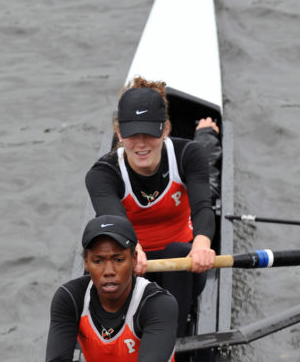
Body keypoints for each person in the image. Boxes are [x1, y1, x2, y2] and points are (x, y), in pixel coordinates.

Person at [30, 214, 187, 362]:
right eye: (98, 261)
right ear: (86, 262)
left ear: (134, 259)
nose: (108, 271)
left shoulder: (158, 303)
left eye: (118, 259)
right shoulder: (69, 298)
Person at [84, 78, 220, 335]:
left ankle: (172, 343)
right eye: (133, 134)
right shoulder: (102, 174)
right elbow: (114, 219)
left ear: (166, 128)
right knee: (109, 261)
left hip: (183, 267)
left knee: (177, 251)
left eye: (150, 132)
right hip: (132, 262)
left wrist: (202, 244)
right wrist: (133, 249)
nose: (142, 143)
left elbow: (203, 207)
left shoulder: (188, 155)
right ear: (119, 133)